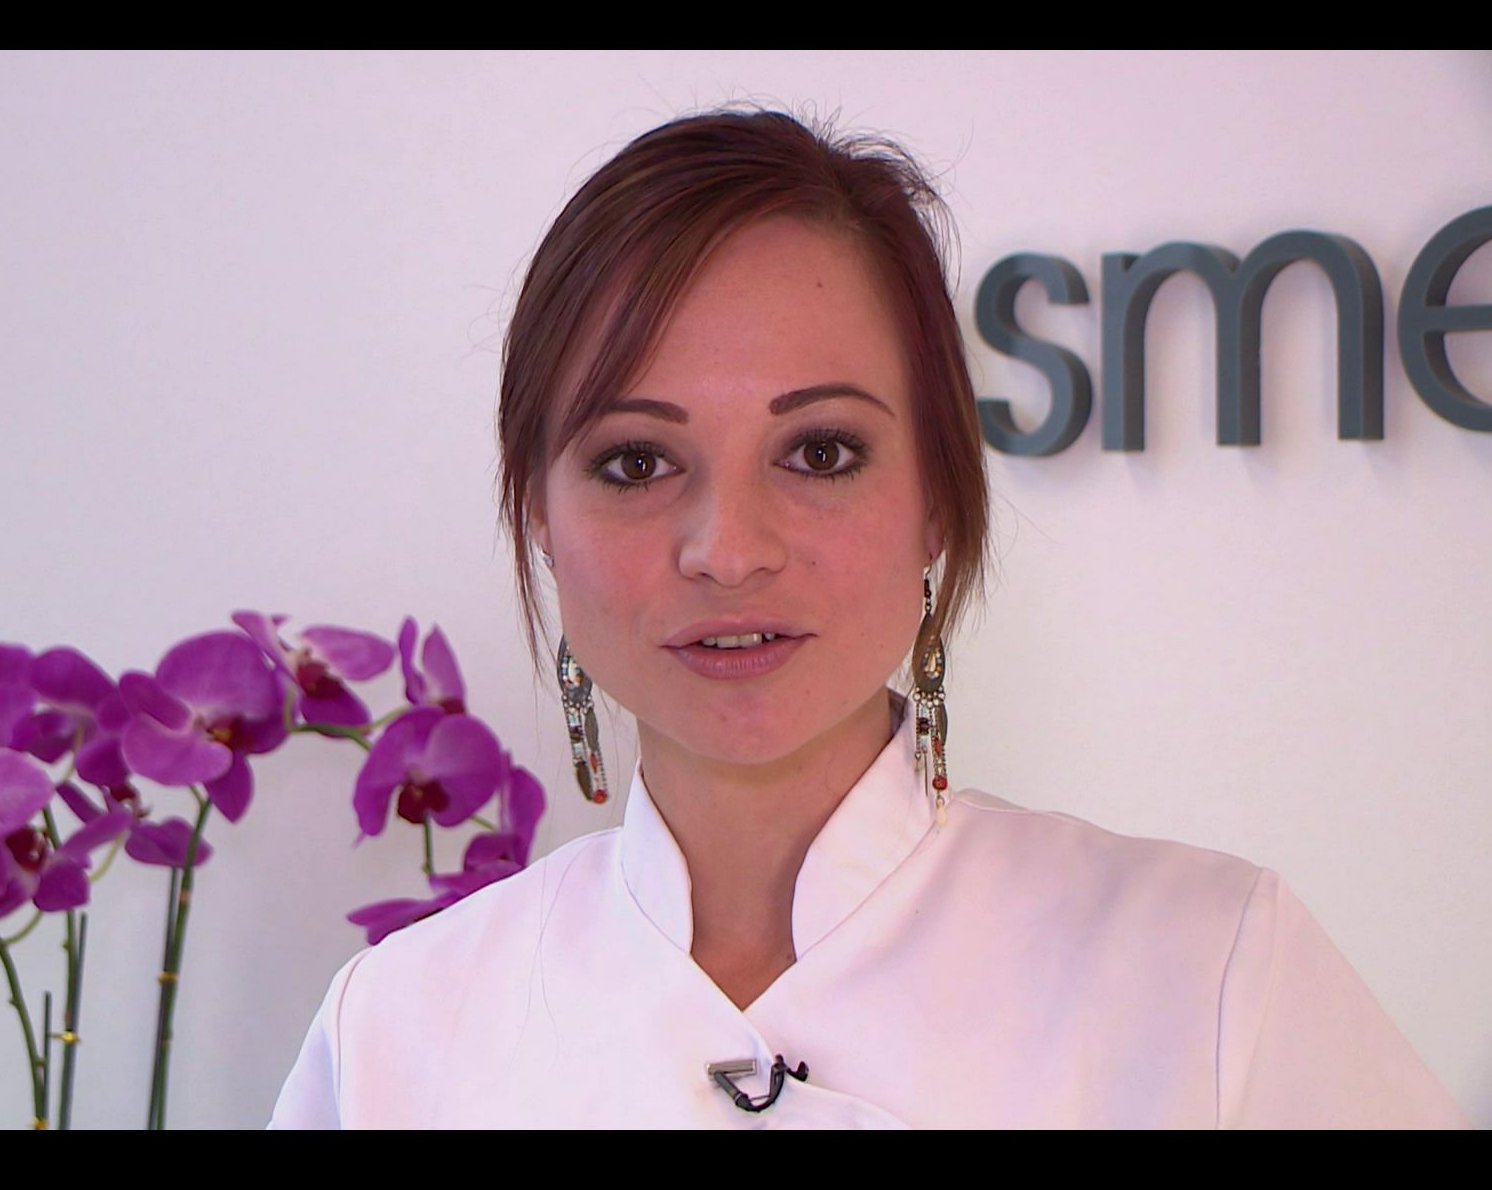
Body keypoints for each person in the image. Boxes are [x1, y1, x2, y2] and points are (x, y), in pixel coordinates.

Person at [266, 106, 1474, 1129]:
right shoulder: (395, 1034)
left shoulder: (1207, 974)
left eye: (821, 451)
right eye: (636, 462)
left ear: (938, 493)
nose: (728, 551)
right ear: (539, 509)